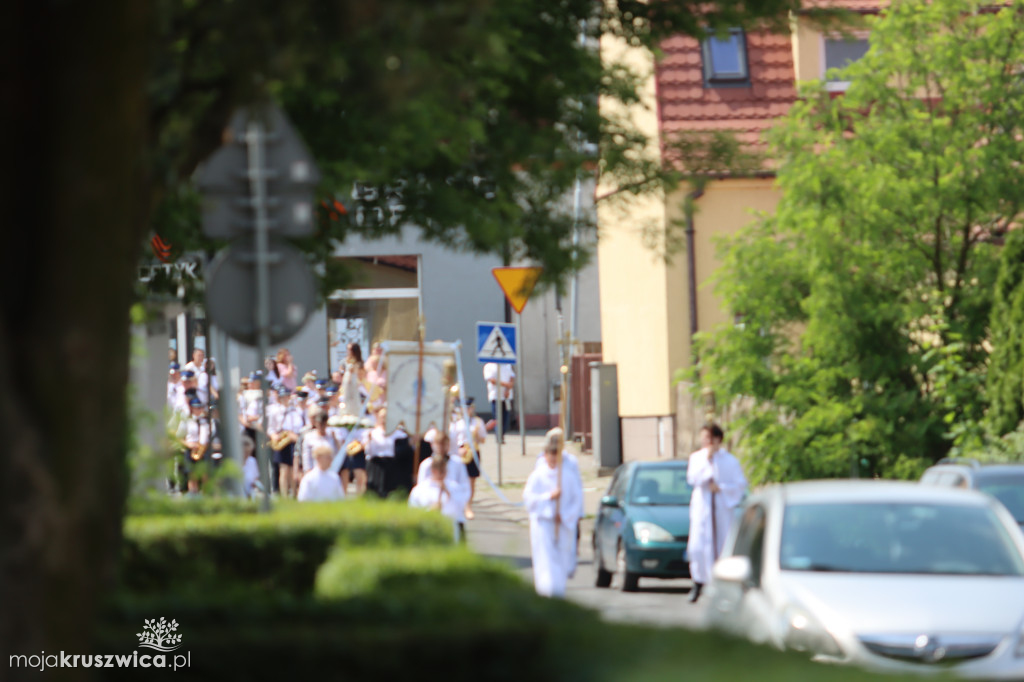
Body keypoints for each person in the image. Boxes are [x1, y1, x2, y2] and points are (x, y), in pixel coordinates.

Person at [686, 423, 747, 603]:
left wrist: (721, 488)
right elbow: (693, 478)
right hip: (702, 510)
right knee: (697, 547)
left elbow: (740, 485)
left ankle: (721, 586)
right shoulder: (697, 458)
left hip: (721, 510)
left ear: (717, 440)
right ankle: (698, 582)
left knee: (721, 546)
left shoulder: (730, 461)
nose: (705, 442)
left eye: (708, 438)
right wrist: (708, 466)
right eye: (703, 438)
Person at [523, 428, 583, 597]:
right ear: (545, 454)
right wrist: (549, 497)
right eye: (550, 453)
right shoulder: (538, 475)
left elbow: (576, 500)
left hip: (562, 523)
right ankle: (545, 591)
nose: (553, 457)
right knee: (546, 560)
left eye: (556, 453)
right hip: (543, 523)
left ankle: (558, 591)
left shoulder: (568, 474)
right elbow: (529, 499)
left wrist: (564, 516)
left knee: (561, 559)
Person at [408, 453, 468, 540]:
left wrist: (447, 493)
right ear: (432, 471)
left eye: (444, 471)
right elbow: (413, 511)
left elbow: (460, 510)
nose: (441, 475)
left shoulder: (454, 487)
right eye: (438, 471)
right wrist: (430, 511)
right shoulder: (420, 489)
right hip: (427, 530)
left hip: (448, 529)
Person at [268, 387, 306, 497]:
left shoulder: (295, 410)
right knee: (284, 469)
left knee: (293, 468)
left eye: (287, 396)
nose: (285, 399)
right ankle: (284, 495)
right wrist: (274, 436)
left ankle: (294, 493)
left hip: (293, 440)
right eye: (283, 397)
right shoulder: (274, 411)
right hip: (282, 439)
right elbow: (270, 428)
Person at [454, 398, 487, 520]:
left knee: (471, 481)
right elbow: (453, 439)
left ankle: (468, 506)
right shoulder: (457, 423)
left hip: (473, 451)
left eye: (469, 408)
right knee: (457, 480)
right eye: (465, 408)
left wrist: (478, 434)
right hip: (460, 451)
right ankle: (459, 504)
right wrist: (458, 450)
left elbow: (483, 439)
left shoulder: (477, 422)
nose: (467, 410)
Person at [483, 361, 514, 443]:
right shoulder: (489, 366)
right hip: (495, 396)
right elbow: (492, 380)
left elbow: (512, 377)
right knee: (497, 418)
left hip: (506, 396)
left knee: (505, 418)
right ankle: (499, 436)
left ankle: (502, 434)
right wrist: (506, 385)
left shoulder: (507, 365)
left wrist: (508, 388)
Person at [339, 342, 364, 417]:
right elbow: (341, 369)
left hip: (355, 381)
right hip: (346, 380)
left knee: (354, 397)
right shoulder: (344, 361)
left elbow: (362, 372)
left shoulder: (359, 362)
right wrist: (344, 372)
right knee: (346, 397)